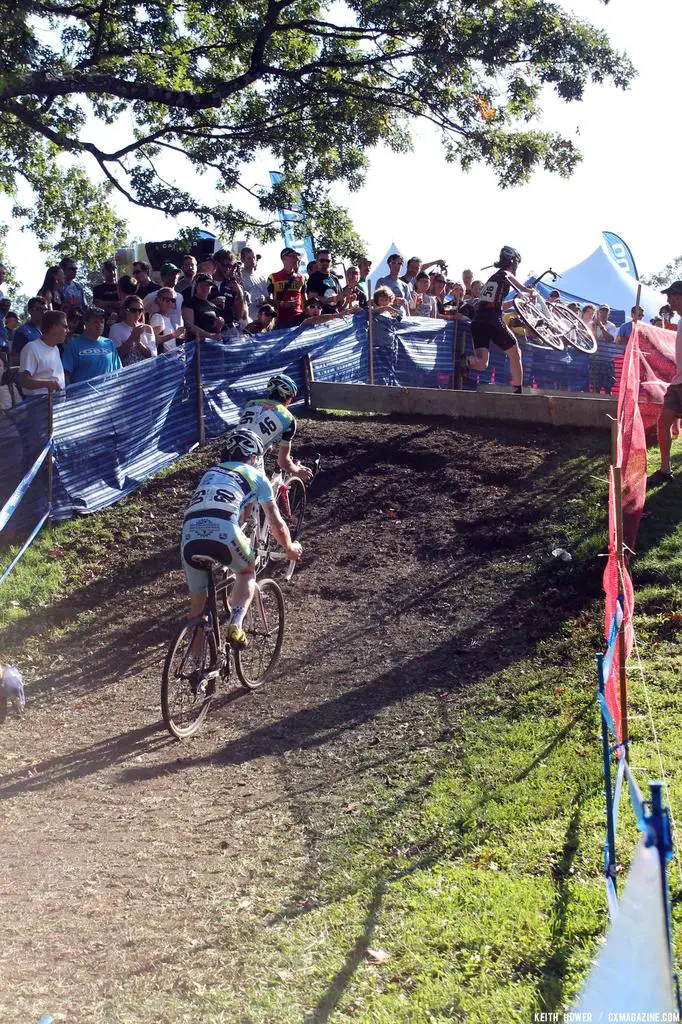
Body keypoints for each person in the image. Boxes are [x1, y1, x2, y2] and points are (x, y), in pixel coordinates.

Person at [181, 428, 302, 651]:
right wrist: (289, 547)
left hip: (189, 533)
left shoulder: (210, 472)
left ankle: (196, 672)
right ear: (254, 457)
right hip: (223, 529)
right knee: (246, 571)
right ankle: (236, 624)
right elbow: (276, 523)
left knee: (197, 610)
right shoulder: (256, 476)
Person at [468, 246, 534, 393]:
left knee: (481, 363)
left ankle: (465, 361)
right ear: (513, 262)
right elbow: (519, 286)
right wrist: (530, 291)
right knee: (515, 353)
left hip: (478, 321)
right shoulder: (505, 274)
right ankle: (518, 391)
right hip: (492, 320)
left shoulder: (492, 279)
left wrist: (516, 302)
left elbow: (497, 305)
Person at [237, 373, 313, 482]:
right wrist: (297, 470)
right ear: (288, 397)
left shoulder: (251, 404)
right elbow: (283, 461)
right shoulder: (288, 418)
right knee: (266, 497)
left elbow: (252, 426)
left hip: (228, 453)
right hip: (250, 460)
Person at [648, 281, 682, 486]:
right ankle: (665, 468)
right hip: (678, 383)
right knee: (663, 421)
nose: (668, 300)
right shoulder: (679, 322)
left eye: (671, 295)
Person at [62, 306, 122, 384]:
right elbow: (66, 374)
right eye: (95, 322)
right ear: (86, 323)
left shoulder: (109, 343)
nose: (99, 325)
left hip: (108, 394)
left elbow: (118, 371)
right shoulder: (73, 345)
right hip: (83, 395)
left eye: (102, 322)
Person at [18, 309, 67, 395]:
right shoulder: (31, 348)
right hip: (39, 405)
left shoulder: (55, 348)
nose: (68, 331)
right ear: (53, 327)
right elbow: (23, 380)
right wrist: (46, 384)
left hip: (57, 404)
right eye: (64, 327)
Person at [109, 296, 157, 364]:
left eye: (140, 310)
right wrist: (132, 338)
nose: (137, 313)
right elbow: (117, 356)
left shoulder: (148, 328)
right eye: (133, 310)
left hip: (147, 370)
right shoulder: (116, 328)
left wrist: (139, 343)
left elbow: (153, 355)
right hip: (128, 372)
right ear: (126, 310)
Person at [268, 248, 306, 327]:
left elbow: (304, 301)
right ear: (284, 258)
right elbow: (266, 300)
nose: (296, 259)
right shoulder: (273, 277)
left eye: (297, 257)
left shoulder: (302, 278)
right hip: (281, 320)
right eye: (292, 256)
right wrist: (283, 304)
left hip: (299, 319)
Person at [181, 273, 224, 340]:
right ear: (196, 286)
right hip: (195, 344)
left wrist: (220, 325)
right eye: (202, 285)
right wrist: (209, 336)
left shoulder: (212, 306)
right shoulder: (189, 302)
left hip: (211, 344)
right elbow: (189, 326)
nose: (205, 288)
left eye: (208, 285)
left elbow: (217, 329)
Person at [12, 296, 47, 361]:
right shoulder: (22, 331)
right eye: (39, 309)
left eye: (45, 310)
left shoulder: (48, 331)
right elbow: (15, 358)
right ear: (29, 311)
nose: (43, 312)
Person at [239, 246, 269, 320]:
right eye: (249, 258)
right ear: (242, 260)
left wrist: (264, 301)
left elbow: (268, 298)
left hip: (263, 319)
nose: (252, 260)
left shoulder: (261, 277)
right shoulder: (239, 276)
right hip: (248, 320)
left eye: (254, 257)